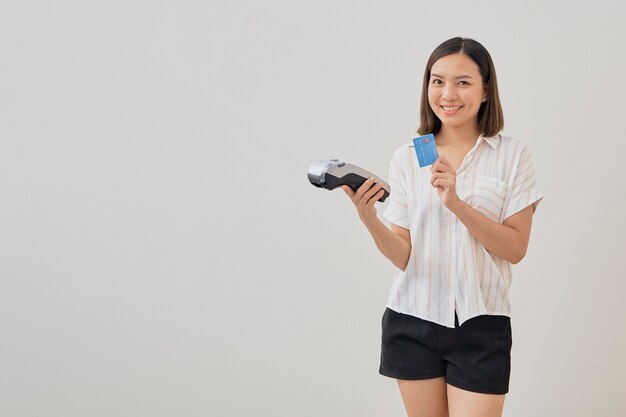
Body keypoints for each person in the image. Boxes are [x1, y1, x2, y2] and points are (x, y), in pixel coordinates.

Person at [341, 37, 543, 417]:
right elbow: (404, 256)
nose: (448, 93)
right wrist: (369, 218)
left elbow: (516, 249)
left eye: (463, 82)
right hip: (413, 319)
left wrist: (457, 204)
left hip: (481, 324)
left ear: (486, 90)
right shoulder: (409, 156)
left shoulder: (512, 156)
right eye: (437, 81)